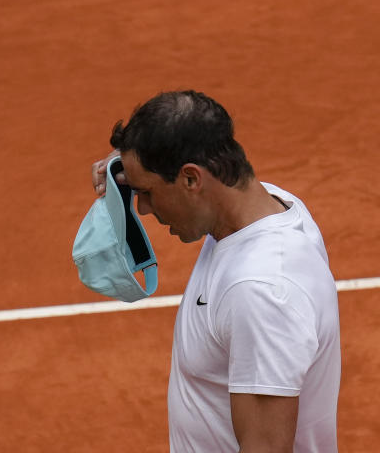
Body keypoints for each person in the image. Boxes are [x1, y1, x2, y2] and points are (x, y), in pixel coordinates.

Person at [90, 90, 340, 453]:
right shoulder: (266, 205)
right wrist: (134, 161)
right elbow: (191, 137)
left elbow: (265, 447)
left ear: (191, 179)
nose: (142, 208)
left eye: (146, 191)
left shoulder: (260, 291)